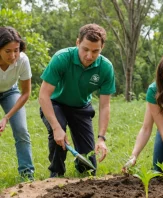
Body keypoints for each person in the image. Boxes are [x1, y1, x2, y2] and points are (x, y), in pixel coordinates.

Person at [38, 24, 116, 177]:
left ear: (102, 47)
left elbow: (105, 105)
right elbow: (43, 95)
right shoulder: (62, 58)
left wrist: (101, 138)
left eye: (95, 51)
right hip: (56, 103)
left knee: (89, 168)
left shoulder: (106, 68)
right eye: (85, 49)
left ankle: (80, 169)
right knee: (58, 133)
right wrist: (56, 128)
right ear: (78, 43)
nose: (89, 56)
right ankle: (56, 174)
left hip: (81, 107)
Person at [0, 27, 35, 180]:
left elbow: (26, 92)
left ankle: (27, 175)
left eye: (16, 50)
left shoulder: (22, 60)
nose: (13, 55)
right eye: (8, 51)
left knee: (21, 130)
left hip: (10, 92)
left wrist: (6, 117)